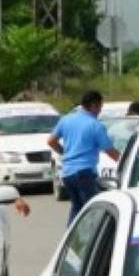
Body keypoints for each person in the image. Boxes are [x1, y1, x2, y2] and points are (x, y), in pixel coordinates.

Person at [48, 90, 121, 223]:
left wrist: (65, 152)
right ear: (93, 105)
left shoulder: (66, 120)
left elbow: (51, 141)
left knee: (77, 208)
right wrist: (124, 162)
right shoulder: (95, 125)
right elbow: (109, 150)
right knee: (92, 210)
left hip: (67, 173)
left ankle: (72, 238)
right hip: (84, 173)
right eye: (99, 107)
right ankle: (91, 241)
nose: (99, 112)